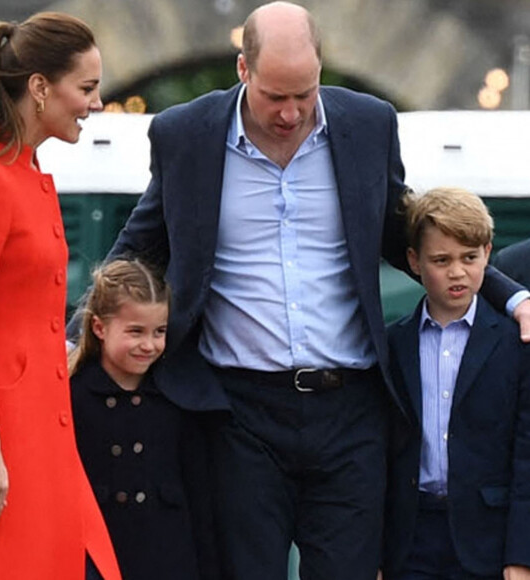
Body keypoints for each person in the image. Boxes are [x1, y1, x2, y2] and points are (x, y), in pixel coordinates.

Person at [82, 2, 530, 579]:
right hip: (237, 412)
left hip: (350, 410)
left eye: (306, 93)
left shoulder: (368, 124)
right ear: (243, 70)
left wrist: (506, 294)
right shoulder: (185, 135)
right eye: (275, 96)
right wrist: (74, 341)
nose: (292, 113)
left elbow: (413, 234)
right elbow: (139, 246)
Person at [0, 12, 121, 580]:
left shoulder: (28, 173)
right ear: (41, 87)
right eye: (87, 88)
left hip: (42, 433)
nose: (95, 104)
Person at [383, 188, 530, 580]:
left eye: (469, 258)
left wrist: (521, 555)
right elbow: (379, 452)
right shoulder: (393, 345)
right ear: (414, 261)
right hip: (411, 539)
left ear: (487, 252)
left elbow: (526, 454)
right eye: (441, 260)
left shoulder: (516, 345)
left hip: (489, 540)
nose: (457, 272)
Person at [69, 259, 220, 580]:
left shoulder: (177, 399)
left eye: (159, 332)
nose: (149, 345)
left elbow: (199, 495)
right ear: (99, 328)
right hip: (95, 555)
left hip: (167, 556)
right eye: (135, 332)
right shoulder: (73, 396)